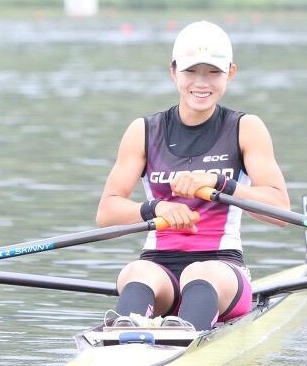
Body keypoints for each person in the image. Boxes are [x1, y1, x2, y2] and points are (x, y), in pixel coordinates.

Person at [95, 20, 290, 331]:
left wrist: (221, 184)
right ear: (174, 72)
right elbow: (106, 214)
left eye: (213, 72)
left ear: (231, 73)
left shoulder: (245, 128)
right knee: (136, 272)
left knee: (201, 274)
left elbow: (280, 212)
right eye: (191, 72)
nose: (202, 83)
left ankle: (182, 343)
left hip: (221, 269)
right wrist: (154, 208)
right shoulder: (144, 131)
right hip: (160, 268)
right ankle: (120, 341)